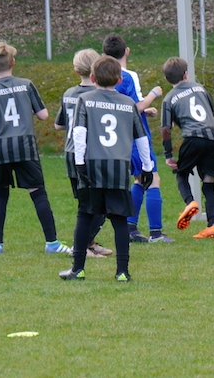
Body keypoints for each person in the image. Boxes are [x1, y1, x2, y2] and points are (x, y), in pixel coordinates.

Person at [59, 55, 154, 281]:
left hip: (92, 165)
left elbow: (79, 133)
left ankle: (78, 269)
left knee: (85, 215)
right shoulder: (128, 103)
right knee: (119, 220)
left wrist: (79, 163)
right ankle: (122, 272)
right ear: (120, 79)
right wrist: (147, 167)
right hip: (118, 167)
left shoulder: (85, 99)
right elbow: (141, 138)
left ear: (92, 78)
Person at [0, 41, 70, 254]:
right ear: (13, 62)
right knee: (37, 192)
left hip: (1, 148)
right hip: (25, 146)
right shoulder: (26, 85)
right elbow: (44, 115)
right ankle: (52, 243)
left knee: (0, 194)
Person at [102, 33, 172, 243]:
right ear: (127, 51)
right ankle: (156, 233)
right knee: (153, 179)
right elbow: (135, 107)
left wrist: (145, 110)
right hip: (136, 137)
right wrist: (153, 94)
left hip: (117, 138)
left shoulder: (103, 77)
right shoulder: (127, 75)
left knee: (139, 179)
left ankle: (130, 228)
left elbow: (122, 106)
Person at [160, 57, 214, 239]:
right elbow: (212, 113)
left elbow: (166, 129)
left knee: (181, 173)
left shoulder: (169, 98)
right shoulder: (201, 88)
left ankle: (190, 202)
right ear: (186, 74)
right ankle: (212, 225)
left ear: (167, 79)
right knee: (208, 182)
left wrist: (168, 154)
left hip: (193, 139)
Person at [55, 48, 113, 259]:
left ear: (76, 70)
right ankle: (81, 246)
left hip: (71, 153)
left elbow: (59, 125)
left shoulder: (69, 94)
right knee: (101, 203)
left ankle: (88, 243)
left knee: (85, 202)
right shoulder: (98, 96)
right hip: (90, 155)